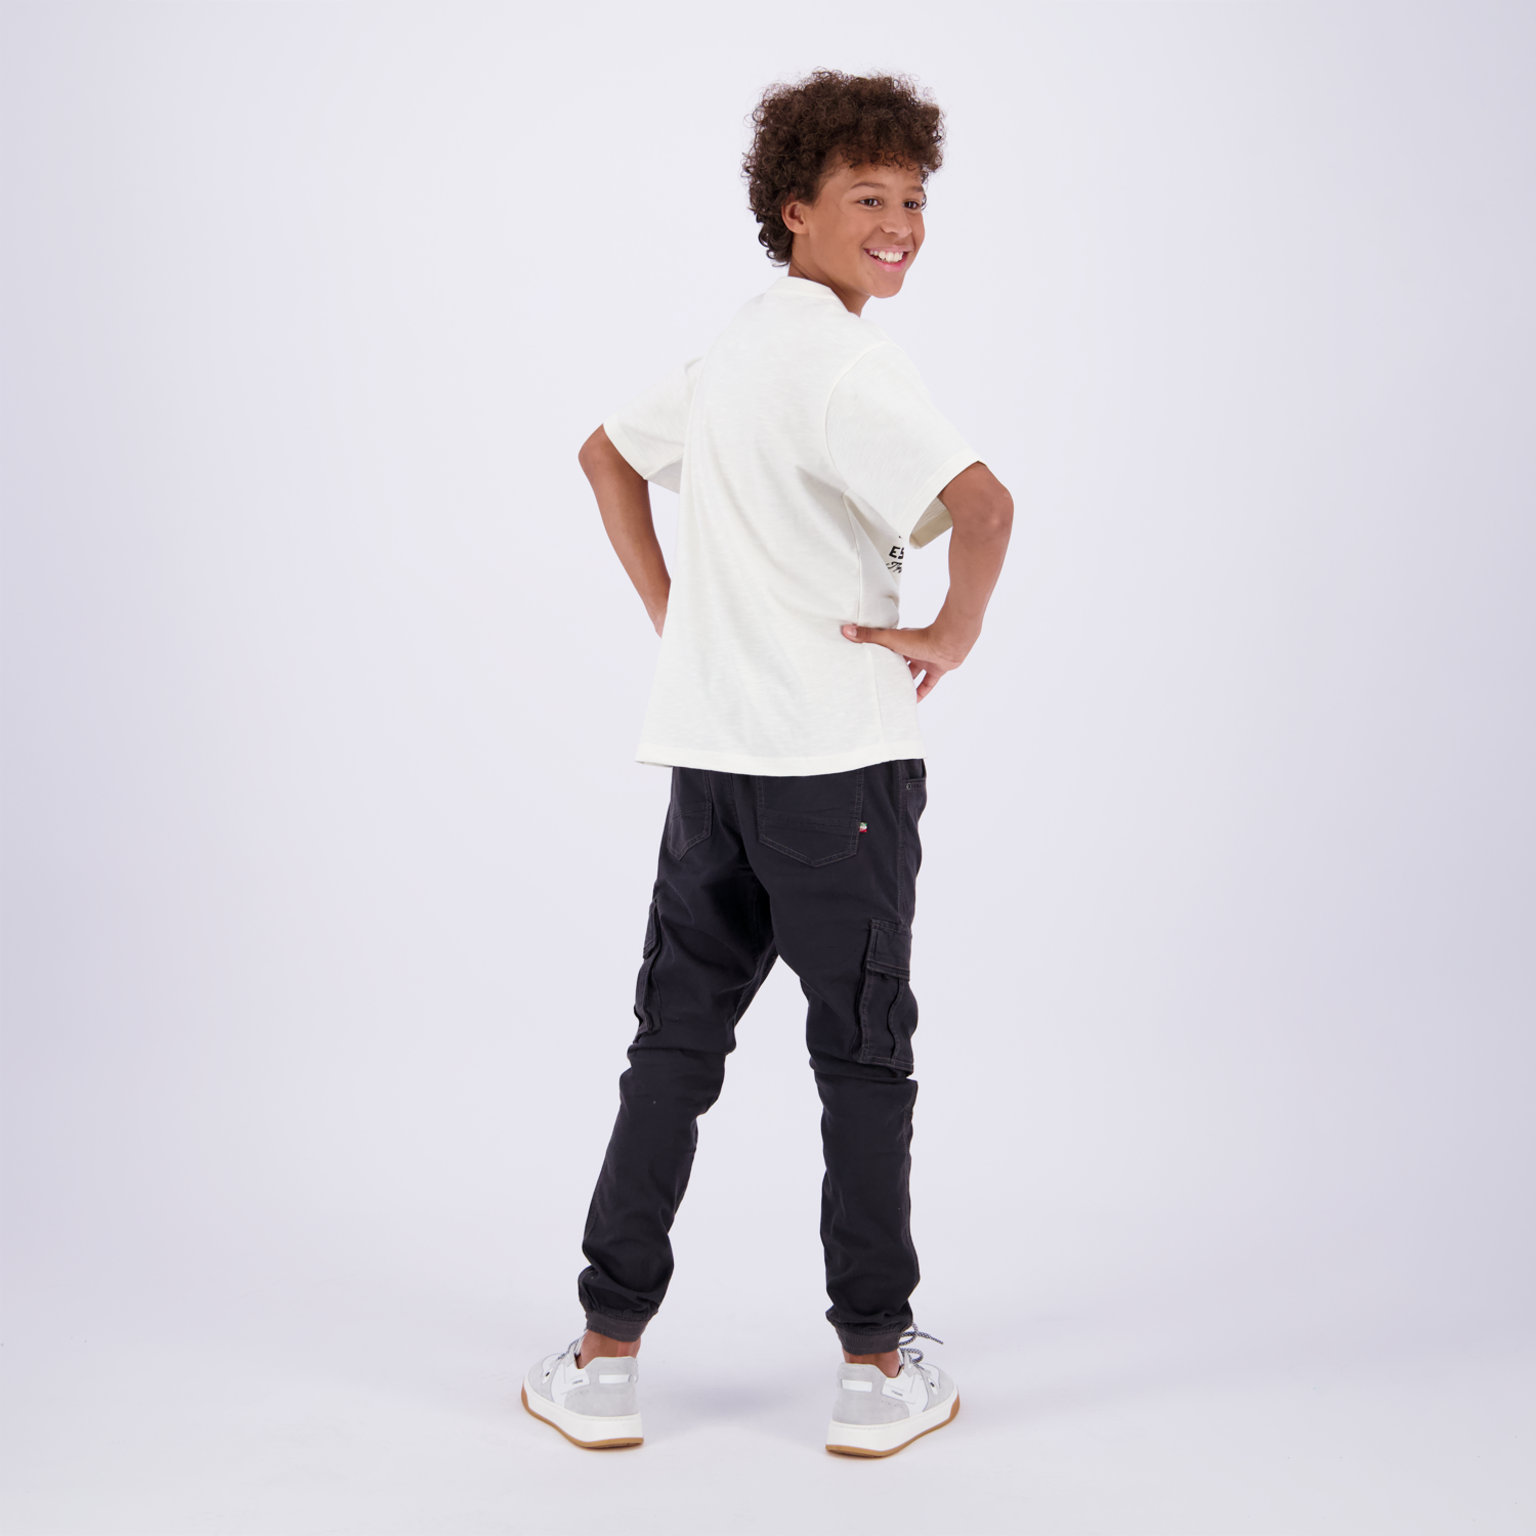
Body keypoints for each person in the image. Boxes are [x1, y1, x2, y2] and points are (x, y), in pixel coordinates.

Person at [522, 69, 1013, 1458]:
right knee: (861, 1059)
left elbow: (604, 455)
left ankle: (603, 1357)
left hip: (713, 769)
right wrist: (955, 634)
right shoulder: (851, 364)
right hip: (837, 772)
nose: (900, 223)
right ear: (793, 209)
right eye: (867, 197)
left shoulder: (740, 347)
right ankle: (875, 1365)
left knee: (672, 1050)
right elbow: (986, 505)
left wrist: (675, 617)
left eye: (913, 197)